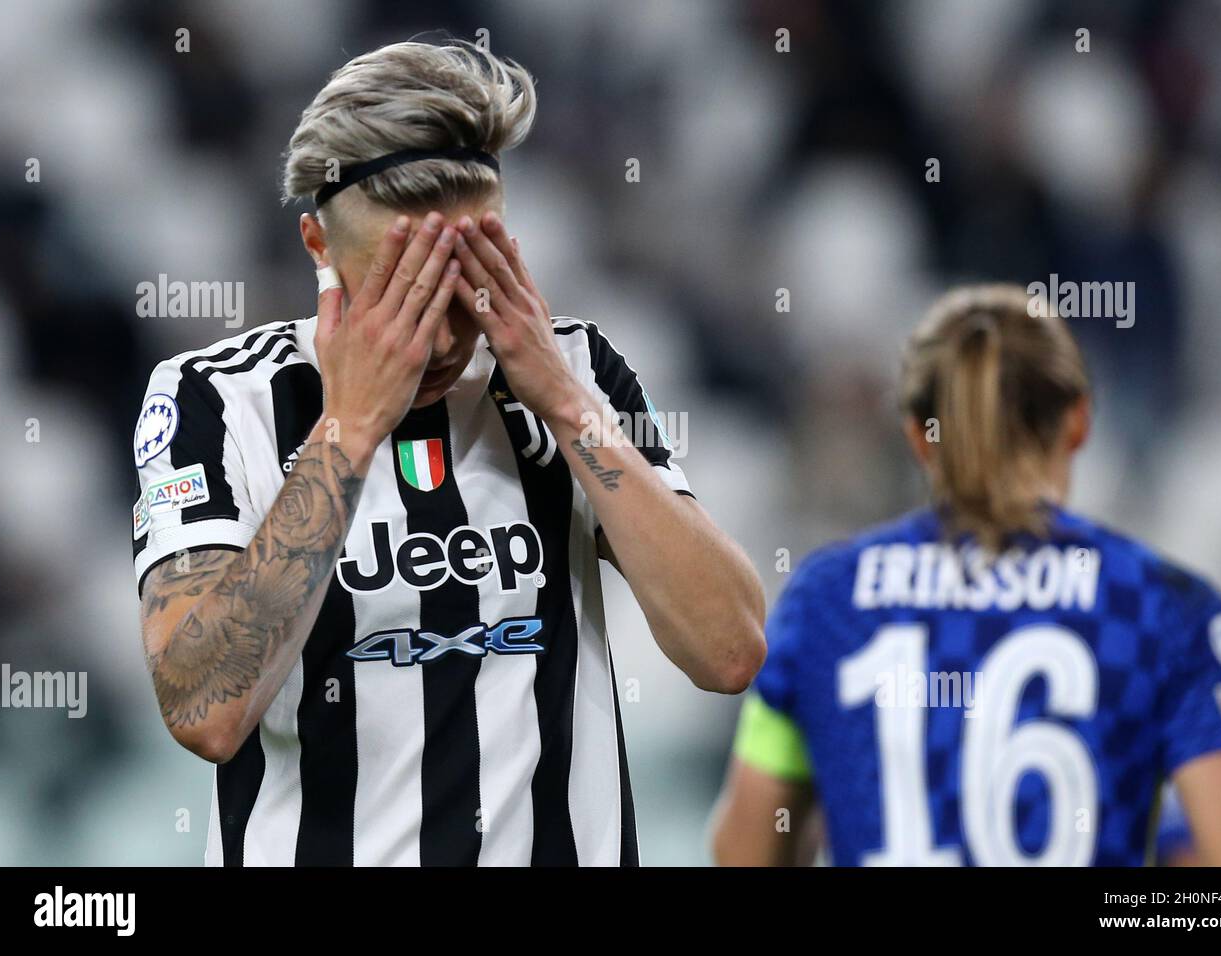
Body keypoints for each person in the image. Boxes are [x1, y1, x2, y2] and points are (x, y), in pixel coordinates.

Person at [131, 39, 765, 867]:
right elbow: (203, 709)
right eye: (401, 290)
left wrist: (570, 409)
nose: (437, 337)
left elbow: (729, 650)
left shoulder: (577, 373)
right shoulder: (213, 399)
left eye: (466, 284)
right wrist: (349, 431)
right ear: (318, 249)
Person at [711, 284, 1221, 866]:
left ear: (917, 436)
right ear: (1079, 421)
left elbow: (742, 853)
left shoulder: (825, 601)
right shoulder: (1160, 606)